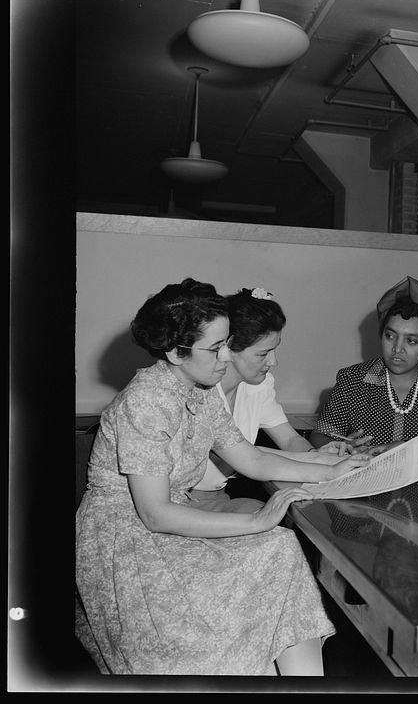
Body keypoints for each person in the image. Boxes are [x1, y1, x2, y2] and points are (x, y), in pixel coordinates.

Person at [75, 278, 371, 675]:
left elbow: (252, 460)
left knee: (279, 547)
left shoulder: (198, 390)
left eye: (226, 344)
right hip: (126, 544)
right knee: (270, 546)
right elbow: (154, 515)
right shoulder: (144, 401)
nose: (226, 358)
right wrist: (254, 520)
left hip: (168, 526)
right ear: (175, 352)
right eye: (215, 349)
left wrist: (331, 469)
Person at [190, 286, 349, 512]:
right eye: (263, 353)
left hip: (218, 495)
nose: (273, 361)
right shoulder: (201, 392)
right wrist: (324, 465)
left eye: (275, 350)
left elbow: (289, 439)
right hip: (185, 499)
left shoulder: (258, 385)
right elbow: (247, 457)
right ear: (229, 347)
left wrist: (316, 455)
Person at [310, 276, 418, 458]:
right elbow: (320, 435)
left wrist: (407, 447)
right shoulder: (352, 379)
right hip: (370, 485)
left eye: (411, 340)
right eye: (390, 336)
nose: (397, 348)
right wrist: (341, 447)